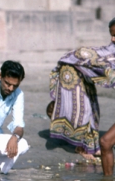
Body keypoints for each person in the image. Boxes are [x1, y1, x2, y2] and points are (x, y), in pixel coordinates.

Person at [49, 19, 115, 161]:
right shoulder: (110, 52)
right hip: (71, 70)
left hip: (83, 72)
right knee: (82, 109)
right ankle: (81, 147)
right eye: (111, 35)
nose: (112, 39)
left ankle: (92, 146)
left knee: (93, 109)